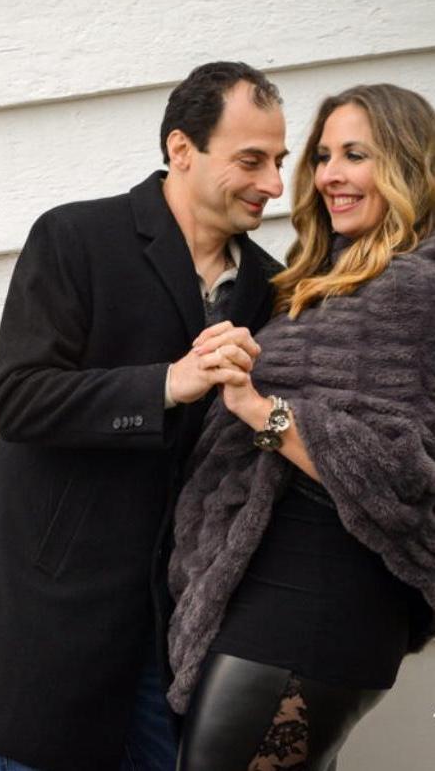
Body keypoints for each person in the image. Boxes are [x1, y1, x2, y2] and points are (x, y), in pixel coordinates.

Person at [0, 61, 288, 771]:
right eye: (251, 160)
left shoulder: (270, 288)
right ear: (182, 149)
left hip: (175, 635)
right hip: (50, 623)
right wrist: (167, 384)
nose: (274, 184)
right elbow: (18, 398)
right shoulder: (75, 238)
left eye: (279, 161)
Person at [168, 83, 435, 771]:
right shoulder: (323, 280)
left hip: (322, 597)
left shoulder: (415, 289)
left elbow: (405, 472)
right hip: (275, 589)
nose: (329, 176)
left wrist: (262, 410)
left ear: (408, 166)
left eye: (356, 155)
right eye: (322, 156)